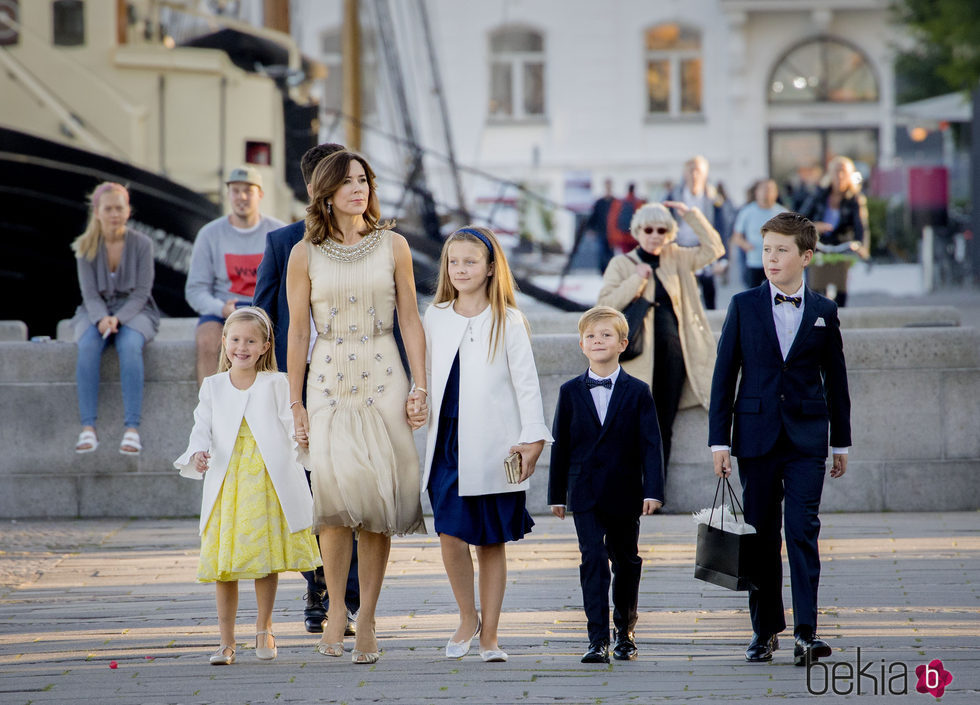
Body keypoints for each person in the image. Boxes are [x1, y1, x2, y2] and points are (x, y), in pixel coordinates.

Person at [286, 150, 426, 665]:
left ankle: (366, 616)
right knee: (333, 507)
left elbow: (411, 319)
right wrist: (295, 402)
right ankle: (335, 613)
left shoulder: (394, 246)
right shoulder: (304, 253)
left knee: (374, 507)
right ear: (325, 192)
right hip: (326, 383)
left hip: (384, 376)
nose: (358, 189)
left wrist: (421, 387)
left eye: (363, 179)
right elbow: (298, 330)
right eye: (346, 182)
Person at [709, 212, 851, 666]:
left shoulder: (825, 312)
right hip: (755, 438)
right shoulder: (743, 305)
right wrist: (719, 442)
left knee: (803, 531)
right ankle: (764, 628)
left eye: (781, 250)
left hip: (808, 438)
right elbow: (723, 376)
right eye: (766, 248)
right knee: (762, 536)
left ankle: (807, 633)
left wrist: (841, 443)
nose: (771, 257)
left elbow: (838, 382)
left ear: (806, 256)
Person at [419, 226, 552, 663]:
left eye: (470, 262)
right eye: (453, 262)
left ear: (491, 267)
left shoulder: (509, 320)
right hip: (447, 443)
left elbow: (527, 385)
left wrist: (533, 439)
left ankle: (491, 635)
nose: (460, 269)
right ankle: (466, 617)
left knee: (490, 542)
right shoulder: (435, 315)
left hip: (496, 446)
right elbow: (420, 373)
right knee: (450, 534)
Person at [252, 142, 360, 637]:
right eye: (333, 179)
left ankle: (346, 598)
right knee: (308, 490)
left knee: (354, 489)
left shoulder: (372, 241)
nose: (344, 187)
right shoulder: (282, 243)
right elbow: (263, 315)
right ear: (315, 186)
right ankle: (318, 588)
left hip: (358, 381)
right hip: (300, 381)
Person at [174, 306, 321, 665]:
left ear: (264, 346)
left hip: (266, 481)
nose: (242, 347)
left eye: (250, 341)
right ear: (224, 342)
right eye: (235, 340)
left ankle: (264, 627)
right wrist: (198, 454)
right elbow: (201, 427)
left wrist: (303, 439)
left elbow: (291, 424)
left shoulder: (277, 383)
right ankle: (225, 639)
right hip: (228, 482)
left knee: (263, 558)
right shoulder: (213, 386)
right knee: (226, 560)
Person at [548, 306, 664, 664]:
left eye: (606, 335)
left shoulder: (638, 391)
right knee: (593, 558)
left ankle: (624, 631)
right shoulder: (569, 392)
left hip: (625, 491)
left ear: (623, 343)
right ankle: (596, 638)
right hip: (584, 491)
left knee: (626, 560)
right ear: (582, 345)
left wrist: (653, 490)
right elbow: (561, 444)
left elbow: (651, 444)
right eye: (591, 336)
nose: (598, 341)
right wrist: (557, 495)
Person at [597, 201, 724, 476]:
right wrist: (636, 281)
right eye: (649, 229)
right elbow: (604, 305)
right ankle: (630, 492)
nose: (655, 235)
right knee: (632, 424)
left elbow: (715, 249)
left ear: (669, 233)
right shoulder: (622, 263)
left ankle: (655, 493)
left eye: (662, 229)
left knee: (663, 424)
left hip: (674, 355)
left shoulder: (677, 257)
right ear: (638, 230)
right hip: (636, 357)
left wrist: (690, 214)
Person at [70, 182, 159, 456]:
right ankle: (88, 428)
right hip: (94, 310)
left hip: (136, 309)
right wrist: (101, 319)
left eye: (119, 208)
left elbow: (142, 292)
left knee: (130, 346)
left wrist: (117, 319)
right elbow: (89, 293)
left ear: (128, 210)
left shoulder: (142, 244)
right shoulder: (85, 247)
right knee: (87, 346)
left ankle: (132, 429)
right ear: (97, 212)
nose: (114, 214)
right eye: (108, 209)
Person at [185, 165, 285, 385]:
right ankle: (211, 407)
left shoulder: (278, 232)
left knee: (284, 338)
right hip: (224, 307)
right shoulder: (210, 234)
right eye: (235, 190)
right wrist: (221, 309)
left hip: (265, 307)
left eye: (248, 190)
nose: (241, 197)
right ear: (228, 194)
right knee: (208, 338)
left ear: (260, 194)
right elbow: (195, 289)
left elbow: (288, 283)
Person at [798, 156, 871, 307]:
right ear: (829, 174)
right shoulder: (819, 194)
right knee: (816, 289)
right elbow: (800, 219)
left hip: (841, 246)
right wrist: (814, 226)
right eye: (836, 171)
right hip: (818, 244)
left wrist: (862, 247)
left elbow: (860, 225)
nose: (839, 176)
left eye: (843, 172)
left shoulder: (854, 199)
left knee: (841, 289)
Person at [666, 156, 731, 309]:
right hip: (681, 248)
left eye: (698, 172)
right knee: (683, 292)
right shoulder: (674, 196)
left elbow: (722, 228)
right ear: (684, 174)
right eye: (691, 171)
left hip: (704, 248)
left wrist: (724, 259)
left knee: (708, 288)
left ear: (705, 174)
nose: (694, 175)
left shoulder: (713, 198)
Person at [731, 179, 787, 289]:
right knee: (753, 295)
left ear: (776, 193)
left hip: (776, 264)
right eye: (764, 190)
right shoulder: (747, 212)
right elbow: (737, 236)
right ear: (757, 192)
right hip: (754, 262)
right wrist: (745, 245)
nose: (767, 193)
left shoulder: (783, 214)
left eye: (770, 190)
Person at [606, 183, 643, 255]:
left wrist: (611, 239)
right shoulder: (639, 203)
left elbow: (612, 221)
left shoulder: (619, 203)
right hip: (635, 237)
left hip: (621, 237)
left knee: (624, 259)